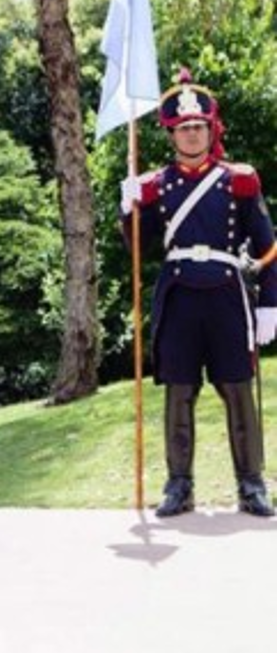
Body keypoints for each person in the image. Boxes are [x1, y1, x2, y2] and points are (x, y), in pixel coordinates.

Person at [121, 70, 277, 517]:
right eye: (183, 129)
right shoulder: (156, 186)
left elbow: (267, 250)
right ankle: (179, 485)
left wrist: (269, 303)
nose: (191, 134)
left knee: (237, 389)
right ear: (171, 135)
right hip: (179, 298)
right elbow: (138, 249)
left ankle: (251, 484)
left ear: (212, 129)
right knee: (179, 391)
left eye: (198, 127)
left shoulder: (240, 180)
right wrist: (129, 209)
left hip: (227, 296)